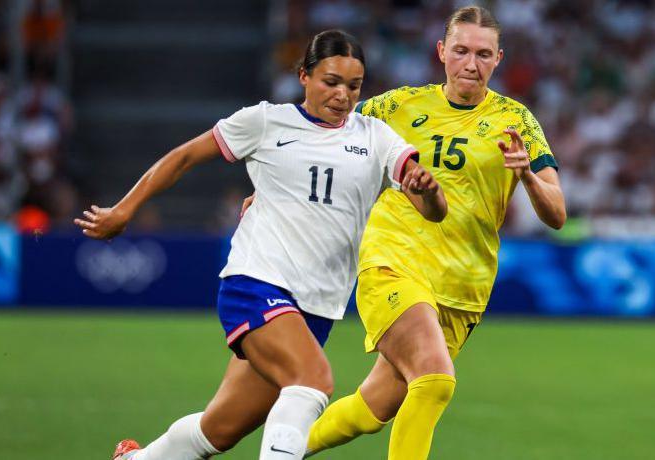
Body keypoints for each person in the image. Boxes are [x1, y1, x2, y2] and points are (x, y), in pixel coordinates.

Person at [73, 29, 446, 460]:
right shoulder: (266, 121)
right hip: (256, 283)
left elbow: (432, 210)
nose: (343, 95)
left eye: (354, 85)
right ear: (303, 76)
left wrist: (428, 189)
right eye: (331, 81)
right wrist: (124, 209)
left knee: (218, 430)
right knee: (313, 380)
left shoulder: (375, 138)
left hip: (315, 309)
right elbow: (184, 157)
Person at [303, 6, 566, 460]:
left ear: (498, 58)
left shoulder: (517, 120)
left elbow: (558, 213)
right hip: (393, 262)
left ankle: (282, 450)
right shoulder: (396, 106)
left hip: (463, 288)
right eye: (461, 51)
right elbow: (320, 136)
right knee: (435, 380)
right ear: (442, 52)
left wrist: (526, 175)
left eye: (483, 54)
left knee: (372, 410)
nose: (471, 63)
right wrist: (272, 193)